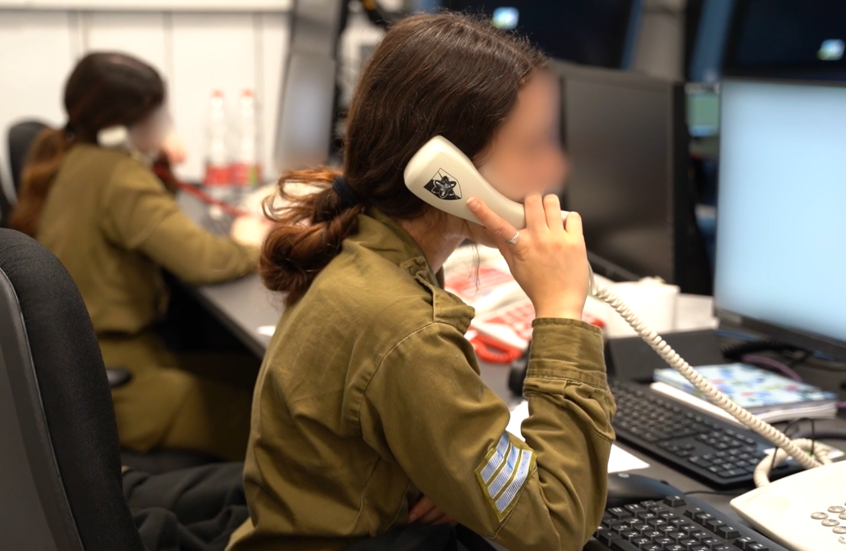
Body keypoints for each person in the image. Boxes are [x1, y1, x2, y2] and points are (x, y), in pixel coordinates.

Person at [227, 13, 615, 551]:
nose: (554, 168)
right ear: (445, 173)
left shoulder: (360, 250)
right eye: (531, 146)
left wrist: (439, 468)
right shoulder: (405, 329)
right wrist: (561, 311)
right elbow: (556, 520)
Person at [9, 52, 268, 462]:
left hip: (91, 366)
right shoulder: (120, 177)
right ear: (118, 128)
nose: (167, 122)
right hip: (118, 387)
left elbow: (146, 218)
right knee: (273, 424)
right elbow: (204, 260)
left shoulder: (73, 158)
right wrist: (253, 244)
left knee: (268, 378)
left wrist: (155, 159)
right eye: (157, 115)